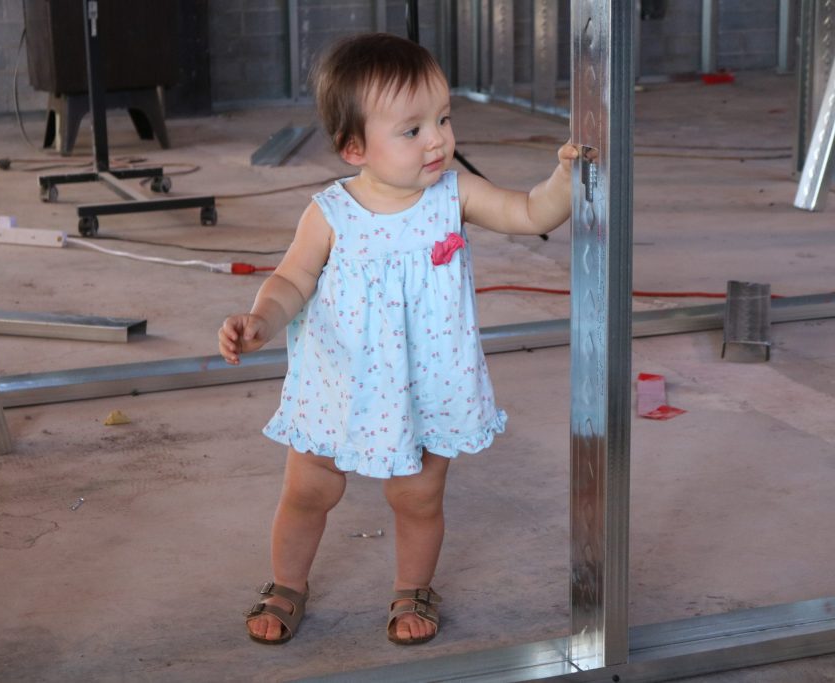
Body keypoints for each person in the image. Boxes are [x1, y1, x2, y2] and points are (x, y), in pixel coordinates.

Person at [218, 32, 577, 646]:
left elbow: (529, 213)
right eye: (411, 130)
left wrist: (566, 177)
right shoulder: (330, 212)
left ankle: (413, 588)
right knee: (310, 489)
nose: (437, 139)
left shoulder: (453, 195)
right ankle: (287, 583)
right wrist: (260, 321)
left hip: (425, 383)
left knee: (416, 497)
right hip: (340, 382)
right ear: (354, 146)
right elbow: (290, 280)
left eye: (442, 118)